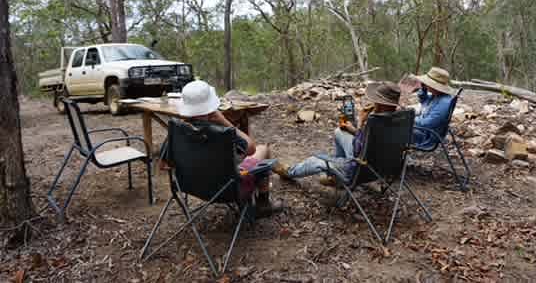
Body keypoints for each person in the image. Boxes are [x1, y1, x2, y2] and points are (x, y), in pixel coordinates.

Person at [175, 80, 284, 217]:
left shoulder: (177, 131)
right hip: (229, 189)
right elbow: (251, 149)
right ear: (211, 107)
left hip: (191, 187)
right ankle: (263, 204)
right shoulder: (222, 133)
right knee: (263, 149)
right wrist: (224, 121)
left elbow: (164, 165)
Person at [273, 82, 401, 186]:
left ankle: (289, 172)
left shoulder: (375, 123)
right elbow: (369, 143)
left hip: (360, 169)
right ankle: (335, 177)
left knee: (316, 160)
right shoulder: (401, 120)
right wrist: (354, 130)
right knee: (339, 132)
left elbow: (357, 150)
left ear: (381, 103)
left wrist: (361, 121)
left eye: (376, 100)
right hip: (382, 168)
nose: (374, 103)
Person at [411, 67, 454, 150]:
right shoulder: (437, 96)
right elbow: (424, 103)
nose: (426, 84)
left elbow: (426, 123)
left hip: (426, 137)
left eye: (427, 83)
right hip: (424, 131)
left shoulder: (444, 102)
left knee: (395, 130)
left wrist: (410, 118)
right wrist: (423, 89)